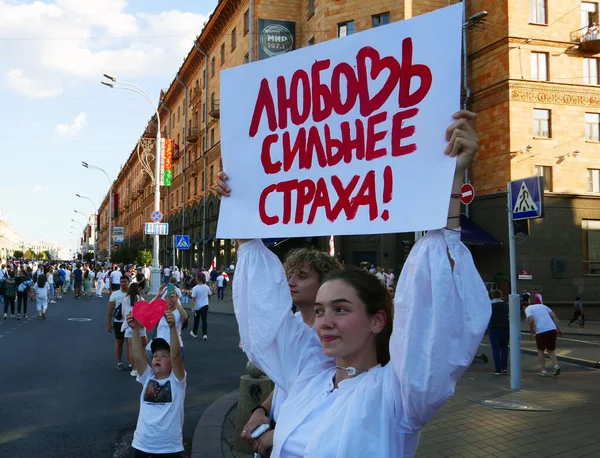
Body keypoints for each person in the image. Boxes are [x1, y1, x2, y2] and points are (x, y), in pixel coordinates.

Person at [217, 109, 489, 458]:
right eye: (319, 310)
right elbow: (264, 318)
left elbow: (435, 304)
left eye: (340, 309)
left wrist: (453, 178)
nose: (324, 321)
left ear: (378, 320)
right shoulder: (308, 377)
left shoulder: (399, 396)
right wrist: (240, 207)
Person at [239, 246, 341, 455]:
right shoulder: (292, 324)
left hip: (300, 442)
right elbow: (289, 381)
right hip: (278, 428)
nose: (291, 282)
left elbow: (331, 400)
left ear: (325, 282)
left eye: (302, 276)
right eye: (289, 276)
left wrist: (279, 434)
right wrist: (262, 410)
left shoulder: (331, 337)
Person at [127, 310, 186, 458]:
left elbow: (176, 355)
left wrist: (173, 328)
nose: (158, 358)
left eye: (164, 356)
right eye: (155, 356)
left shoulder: (177, 380)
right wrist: (135, 329)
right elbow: (139, 356)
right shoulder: (148, 377)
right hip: (142, 444)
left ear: (172, 362)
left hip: (169, 448)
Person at [148, 283, 189, 360]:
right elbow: (148, 310)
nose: (171, 298)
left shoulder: (178, 311)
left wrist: (175, 301)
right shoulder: (161, 310)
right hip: (160, 345)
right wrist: (158, 295)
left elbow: (185, 317)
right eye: (169, 297)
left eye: (173, 296)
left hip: (175, 345)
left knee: (175, 371)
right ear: (165, 298)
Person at [525, 302, 562, 376]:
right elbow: (554, 316)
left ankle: (543, 370)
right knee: (551, 350)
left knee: (540, 350)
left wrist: (531, 332)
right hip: (552, 329)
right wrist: (559, 328)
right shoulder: (543, 306)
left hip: (541, 331)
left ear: (523, 307)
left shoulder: (527, 309)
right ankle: (556, 365)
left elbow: (531, 320)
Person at [121, 282, 148, 377]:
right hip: (140, 326)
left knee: (132, 349)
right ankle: (143, 367)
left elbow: (123, 313)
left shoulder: (125, 300)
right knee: (143, 348)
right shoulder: (142, 299)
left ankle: (134, 369)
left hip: (129, 326)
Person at [107, 276, 131, 371]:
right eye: (121, 282)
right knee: (119, 342)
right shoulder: (115, 294)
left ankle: (130, 363)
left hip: (129, 322)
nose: (123, 283)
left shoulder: (132, 294)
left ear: (128, 282)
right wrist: (108, 323)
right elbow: (110, 309)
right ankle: (119, 362)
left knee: (130, 344)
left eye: (125, 281)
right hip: (118, 322)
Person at [488, 290, 509, 375]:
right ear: (501, 296)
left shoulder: (488, 305)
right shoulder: (506, 305)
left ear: (492, 296)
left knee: (495, 349)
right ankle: (504, 368)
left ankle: (497, 368)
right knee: (504, 348)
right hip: (505, 328)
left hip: (493, 328)